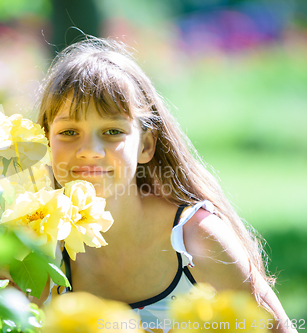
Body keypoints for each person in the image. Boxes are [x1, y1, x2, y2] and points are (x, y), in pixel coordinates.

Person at [31, 37, 295, 333]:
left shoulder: (196, 239)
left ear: (146, 145)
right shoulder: (36, 244)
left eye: (112, 131)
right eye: (69, 131)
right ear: (44, 142)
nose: (89, 149)